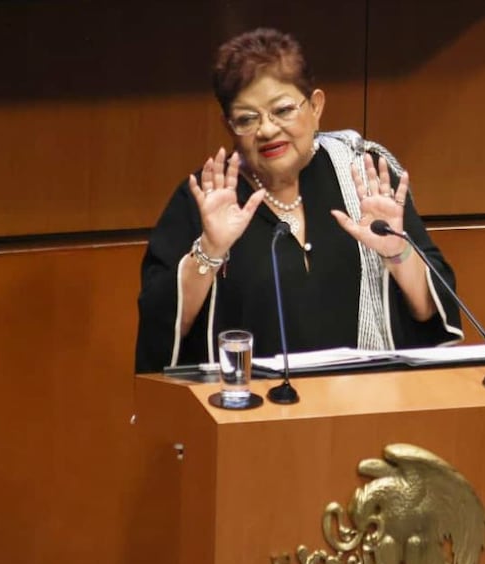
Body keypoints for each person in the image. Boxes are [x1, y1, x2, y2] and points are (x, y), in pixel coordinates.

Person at [135, 27, 462, 373]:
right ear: (228, 126)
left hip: (366, 406)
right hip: (247, 412)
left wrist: (398, 252)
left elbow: (431, 311)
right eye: (247, 119)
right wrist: (210, 251)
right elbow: (161, 332)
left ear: (316, 106)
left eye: (283, 110)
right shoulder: (206, 200)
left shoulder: (364, 179)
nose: (267, 129)